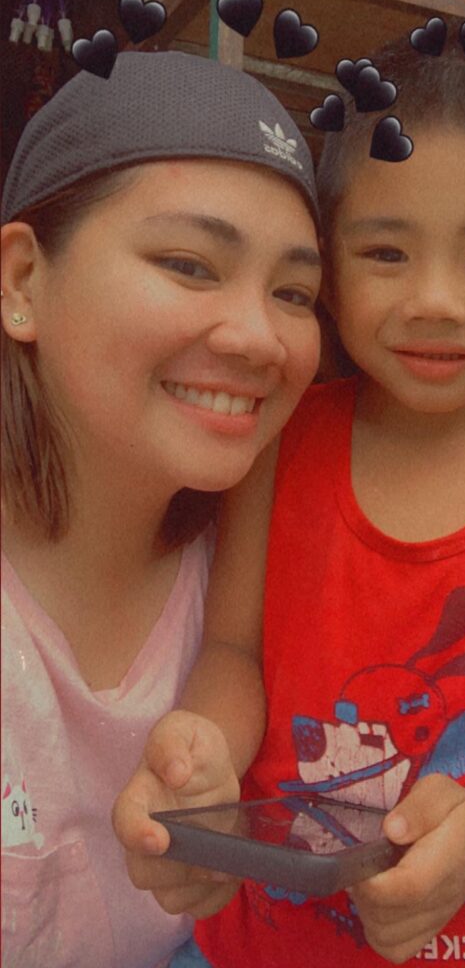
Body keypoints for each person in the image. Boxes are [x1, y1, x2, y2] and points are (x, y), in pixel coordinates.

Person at [113, 19, 465, 967]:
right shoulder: (284, 441)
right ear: (328, 270)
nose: (434, 300)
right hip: (263, 939)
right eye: (385, 254)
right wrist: (201, 748)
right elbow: (236, 650)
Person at [0, 49, 323, 968]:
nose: (259, 337)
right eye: (189, 264)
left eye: (295, 294)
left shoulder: (256, 583)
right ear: (21, 281)